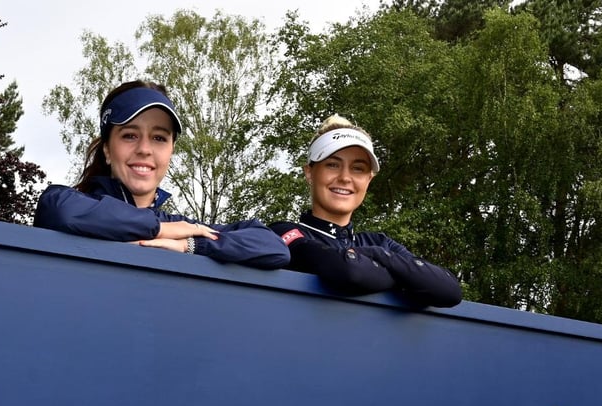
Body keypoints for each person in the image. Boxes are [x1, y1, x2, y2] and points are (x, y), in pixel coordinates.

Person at [34, 81, 289, 269]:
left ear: (171, 151)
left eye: (158, 138)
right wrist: (158, 229)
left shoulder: (185, 230)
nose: (145, 149)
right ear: (107, 150)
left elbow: (273, 247)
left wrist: (191, 245)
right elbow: (58, 209)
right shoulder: (69, 204)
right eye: (130, 135)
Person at [270, 117, 461, 307]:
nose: (345, 178)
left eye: (358, 168)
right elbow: (350, 272)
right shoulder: (281, 233)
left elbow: (448, 290)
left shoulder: (379, 243)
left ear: (369, 180)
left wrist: (377, 254)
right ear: (309, 173)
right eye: (333, 165)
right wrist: (404, 277)